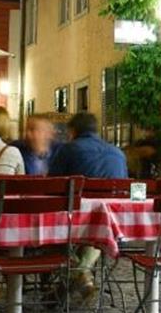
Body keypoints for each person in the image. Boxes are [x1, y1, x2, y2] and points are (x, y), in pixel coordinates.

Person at [49, 112, 128, 301]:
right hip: (113, 227)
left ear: (73, 131)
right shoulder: (117, 153)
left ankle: (79, 274)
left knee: (48, 237)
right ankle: (79, 276)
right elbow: (125, 189)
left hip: (74, 225)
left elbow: (52, 185)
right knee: (95, 232)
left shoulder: (68, 150)